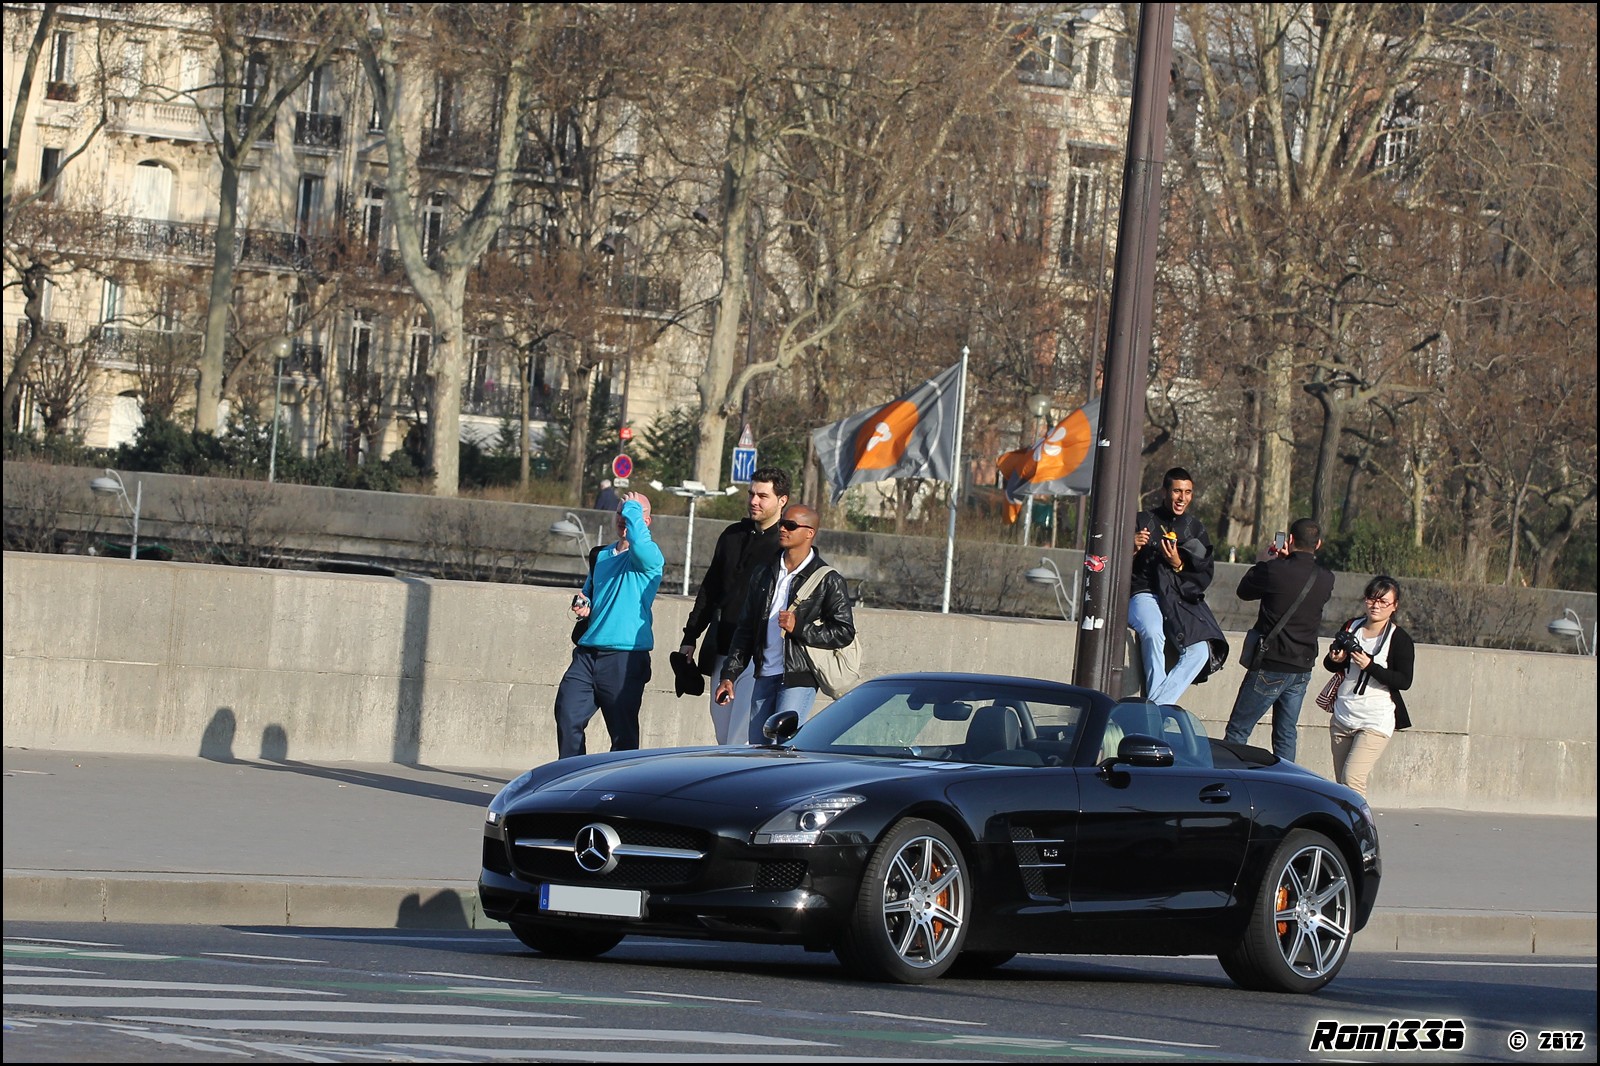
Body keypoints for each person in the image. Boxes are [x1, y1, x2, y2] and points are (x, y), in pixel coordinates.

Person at [715, 503, 854, 743]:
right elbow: (745, 629)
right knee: (758, 746)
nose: (782, 529)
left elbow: (844, 631)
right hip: (764, 674)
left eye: (790, 525)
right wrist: (729, 675)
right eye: (782, 524)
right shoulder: (764, 573)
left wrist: (799, 628)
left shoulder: (827, 579)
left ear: (809, 532)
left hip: (798, 677)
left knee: (784, 744)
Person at [678, 467, 791, 744]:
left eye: (763, 496)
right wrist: (690, 636)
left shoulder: (785, 545)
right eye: (751, 493)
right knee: (722, 734)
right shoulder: (731, 536)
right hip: (722, 648)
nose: (754, 500)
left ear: (782, 500)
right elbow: (710, 589)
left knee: (741, 738)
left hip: (758, 655)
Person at [553, 491, 663, 758]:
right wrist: (584, 603)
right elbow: (590, 592)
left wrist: (633, 508)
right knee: (567, 715)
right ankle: (572, 781)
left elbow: (638, 543)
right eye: (620, 514)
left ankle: (618, 791)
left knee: (622, 735)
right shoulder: (600, 555)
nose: (624, 519)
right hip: (587, 654)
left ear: (645, 521)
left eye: (632, 515)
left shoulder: (650, 557)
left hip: (625, 657)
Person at [1223, 517, 1336, 761]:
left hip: (1270, 664)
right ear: (1318, 545)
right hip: (1302, 667)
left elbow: (1244, 591)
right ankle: (1288, 784)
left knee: (1238, 730)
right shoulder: (1326, 578)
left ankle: (1228, 778)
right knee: (1286, 734)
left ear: (1290, 540)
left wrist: (1266, 561)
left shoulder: (1272, 569)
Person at [1128, 467, 1226, 705]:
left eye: (1188, 492)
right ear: (1165, 492)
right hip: (1145, 593)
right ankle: (1156, 711)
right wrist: (1131, 547)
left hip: (1180, 600)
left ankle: (1156, 707)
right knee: (1153, 632)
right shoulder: (1142, 520)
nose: (1182, 498)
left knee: (1202, 651)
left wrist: (1178, 564)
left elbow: (1204, 572)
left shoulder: (1194, 528)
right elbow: (1108, 565)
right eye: (1177, 491)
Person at [1324, 575, 1415, 799]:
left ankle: (1363, 830)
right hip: (1343, 715)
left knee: (1352, 778)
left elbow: (1404, 681)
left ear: (1394, 606)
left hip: (1375, 719)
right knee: (1342, 787)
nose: (1376, 606)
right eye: (1372, 599)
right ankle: (1347, 831)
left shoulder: (1399, 638)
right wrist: (1335, 659)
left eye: (1384, 602)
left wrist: (1370, 666)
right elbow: (1332, 665)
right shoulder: (1351, 626)